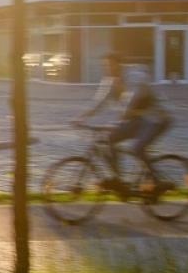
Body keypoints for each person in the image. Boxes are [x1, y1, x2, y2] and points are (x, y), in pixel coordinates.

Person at [73, 52, 173, 190]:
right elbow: (99, 102)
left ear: (119, 64)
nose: (107, 69)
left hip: (155, 119)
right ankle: (118, 179)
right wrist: (81, 117)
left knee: (137, 148)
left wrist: (118, 122)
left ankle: (158, 181)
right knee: (108, 140)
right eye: (105, 66)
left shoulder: (134, 76)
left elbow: (131, 100)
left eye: (110, 65)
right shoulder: (110, 81)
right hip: (137, 120)